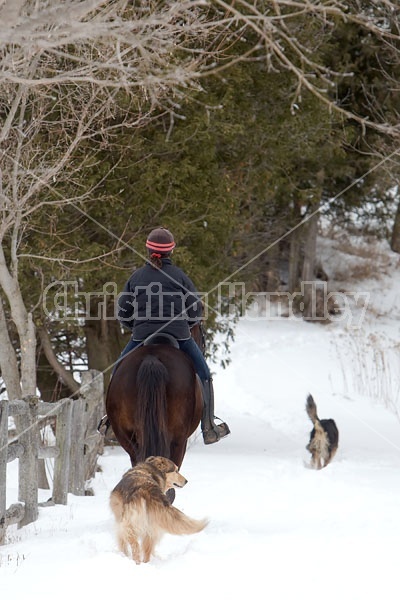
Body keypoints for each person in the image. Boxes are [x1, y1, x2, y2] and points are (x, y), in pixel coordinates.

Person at [99, 227, 230, 445]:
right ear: (171, 251)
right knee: (205, 373)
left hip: (142, 337)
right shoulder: (180, 276)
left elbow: (122, 311)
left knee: (118, 370)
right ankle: (208, 426)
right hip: (179, 337)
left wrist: (135, 325)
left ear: (148, 249)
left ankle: (111, 423)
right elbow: (196, 311)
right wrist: (185, 324)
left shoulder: (136, 277)